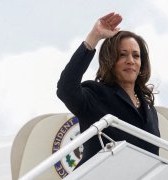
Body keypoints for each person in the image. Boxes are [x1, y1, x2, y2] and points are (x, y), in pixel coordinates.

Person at [57, 12, 160, 169]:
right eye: (122, 55)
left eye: (136, 56)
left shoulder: (149, 109)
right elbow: (66, 89)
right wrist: (94, 37)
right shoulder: (95, 95)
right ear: (110, 61)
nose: (131, 61)